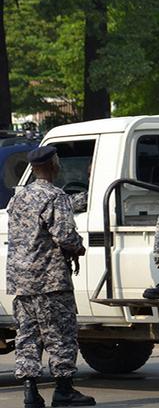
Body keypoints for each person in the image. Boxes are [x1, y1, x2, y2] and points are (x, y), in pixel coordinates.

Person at [6, 146, 95, 407]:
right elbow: (65, 236)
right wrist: (79, 246)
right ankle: (64, 390)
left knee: (28, 336)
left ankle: (30, 392)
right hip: (50, 280)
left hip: (22, 281)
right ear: (54, 165)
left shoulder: (18, 198)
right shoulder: (55, 196)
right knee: (60, 334)